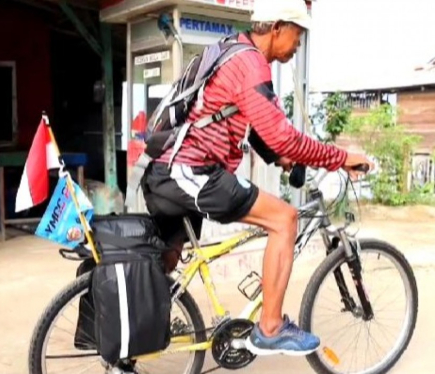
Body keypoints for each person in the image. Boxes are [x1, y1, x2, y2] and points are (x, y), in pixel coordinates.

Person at [140, 0, 374, 356]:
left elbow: (249, 125)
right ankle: (270, 327)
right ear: (277, 27)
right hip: (191, 170)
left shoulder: (233, 52)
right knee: (284, 219)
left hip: (168, 171)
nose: (298, 45)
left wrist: (279, 158)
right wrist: (340, 159)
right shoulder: (250, 64)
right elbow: (282, 135)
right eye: (298, 34)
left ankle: (138, 328)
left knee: (167, 257)